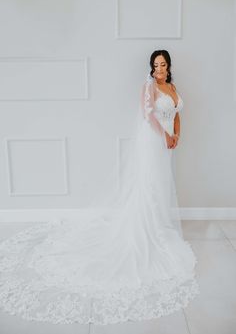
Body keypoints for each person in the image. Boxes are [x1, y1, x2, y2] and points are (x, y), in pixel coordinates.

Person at [0, 50, 199, 325]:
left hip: (168, 143)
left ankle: (158, 223)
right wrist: (165, 135)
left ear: (169, 66)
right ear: (151, 68)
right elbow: (149, 115)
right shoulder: (149, 87)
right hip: (154, 142)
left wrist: (177, 134)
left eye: (163, 64)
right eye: (156, 65)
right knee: (150, 185)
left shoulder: (173, 87)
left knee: (162, 185)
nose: (160, 69)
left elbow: (176, 113)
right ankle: (148, 227)